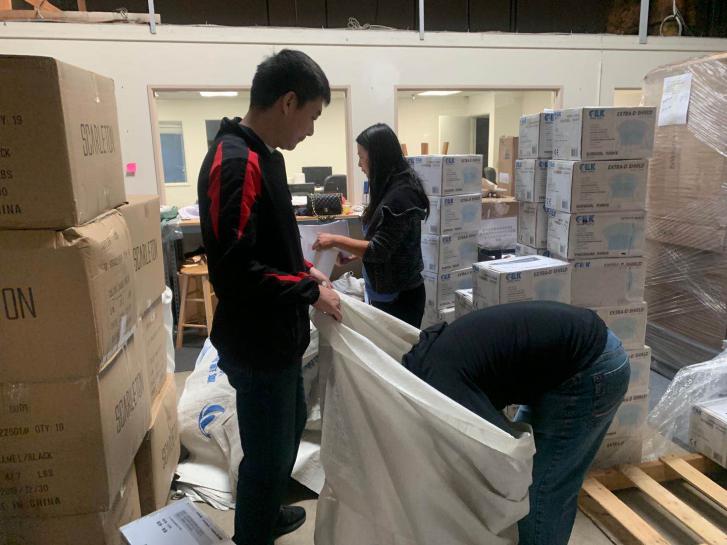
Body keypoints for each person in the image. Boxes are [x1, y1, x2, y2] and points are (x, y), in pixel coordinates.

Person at [197, 49, 342, 545]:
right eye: (312, 116)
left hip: (278, 336)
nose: (311, 130)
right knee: (266, 454)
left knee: (289, 428)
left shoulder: (265, 157)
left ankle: (268, 512)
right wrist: (307, 290)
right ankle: (252, 535)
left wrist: (306, 271)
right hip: (256, 342)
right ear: (288, 102)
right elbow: (235, 271)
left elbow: (270, 244)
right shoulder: (236, 163)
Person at [401, 301, 630, 545]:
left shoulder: (442, 386)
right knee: (529, 480)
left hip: (590, 368)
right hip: (571, 358)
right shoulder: (420, 363)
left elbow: (501, 451)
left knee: (540, 489)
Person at [312, 123, 429, 328]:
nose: (359, 164)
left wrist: (335, 240)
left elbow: (379, 250)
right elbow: (387, 242)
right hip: (383, 292)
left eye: (361, 157)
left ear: (377, 157)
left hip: (400, 298)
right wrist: (353, 255)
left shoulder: (402, 195)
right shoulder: (388, 188)